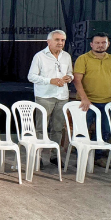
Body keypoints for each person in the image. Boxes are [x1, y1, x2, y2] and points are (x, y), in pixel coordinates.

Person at [73, 32, 111, 166]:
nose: (100, 45)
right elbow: (77, 80)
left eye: (103, 43)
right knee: (83, 130)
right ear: (91, 44)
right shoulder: (83, 59)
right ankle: (82, 158)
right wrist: (84, 98)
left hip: (108, 102)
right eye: (97, 43)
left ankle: (97, 157)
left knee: (105, 131)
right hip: (87, 103)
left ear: (108, 44)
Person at [27, 30, 74, 165]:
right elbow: (31, 76)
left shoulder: (66, 56)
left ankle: (55, 156)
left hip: (62, 96)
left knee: (58, 128)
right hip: (44, 96)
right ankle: (39, 157)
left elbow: (70, 73)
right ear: (49, 42)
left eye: (63, 40)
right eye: (57, 40)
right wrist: (50, 81)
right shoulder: (39, 56)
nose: (60, 43)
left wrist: (69, 78)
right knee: (41, 128)